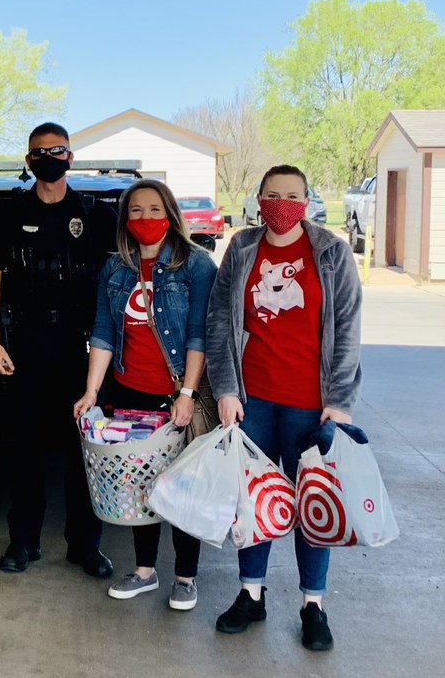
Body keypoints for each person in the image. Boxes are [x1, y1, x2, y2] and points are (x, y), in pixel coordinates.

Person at [206, 164, 362, 651]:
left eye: (292, 194)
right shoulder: (243, 248)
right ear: (257, 199)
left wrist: (338, 402)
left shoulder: (331, 252)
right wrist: (226, 389)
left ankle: (313, 603)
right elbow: (217, 320)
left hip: (310, 407)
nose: (281, 203)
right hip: (252, 400)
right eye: (272, 194)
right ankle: (251, 594)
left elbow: (348, 328)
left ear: (308, 199)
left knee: (314, 505)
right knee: (252, 503)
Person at [0, 122, 118, 576]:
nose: (48, 157)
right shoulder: (11, 213)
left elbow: (124, 276)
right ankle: (23, 542)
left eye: (56, 150)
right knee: (25, 447)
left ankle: (85, 545)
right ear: (28, 160)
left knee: (85, 447)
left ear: (70, 156)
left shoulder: (95, 213)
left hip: (81, 346)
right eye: (39, 151)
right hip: (28, 344)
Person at [73, 179, 217, 610]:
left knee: (183, 486)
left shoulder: (196, 265)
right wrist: (92, 391)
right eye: (135, 211)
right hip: (129, 392)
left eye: (154, 209)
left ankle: (186, 577)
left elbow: (198, 335)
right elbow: (102, 333)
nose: (145, 218)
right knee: (140, 481)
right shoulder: (116, 268)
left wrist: (188, 392)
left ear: (171, 214)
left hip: (177, 395)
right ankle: (145, 571)